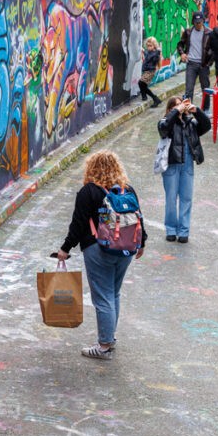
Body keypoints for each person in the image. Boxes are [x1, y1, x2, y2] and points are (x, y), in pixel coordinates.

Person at [56, 151, 146, 360]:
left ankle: (104, 345)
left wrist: (65, 249)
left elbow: (78, 225)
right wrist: (142, 243)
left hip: (98, 249)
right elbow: (139, 218)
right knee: (113, 293)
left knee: (103, 296)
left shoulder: (88, 192)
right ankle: (109, 337)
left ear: (91, 168)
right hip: (126, 249)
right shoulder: (127, 190)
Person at [157, 96, 210, 243]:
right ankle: (171, 230)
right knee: (171, 199)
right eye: (176, 106)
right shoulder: (165, 122)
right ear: (170, 109)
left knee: (186, 198)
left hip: (187, 164)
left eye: (181, 104)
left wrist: (196, 111)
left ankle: (184, 231)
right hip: (171, 164)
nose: (180, 107)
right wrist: (175, 112)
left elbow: (206, 126)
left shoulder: (190, 123)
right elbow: (164, 128)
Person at [176, 11, 213, 105]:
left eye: (200, 22)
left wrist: (208, 63)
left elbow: (214, 49)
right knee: (188, 89)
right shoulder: (188, 32)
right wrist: (182, 53)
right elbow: (180, 44)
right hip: (191, 64)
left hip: (203, 65)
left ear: (203, 21)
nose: (198, 24)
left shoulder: (209, 33)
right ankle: (188, 110)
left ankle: (206, 109)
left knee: (205, 89)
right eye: (196, 22)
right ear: (193, 22)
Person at [138, 36, 163, 108]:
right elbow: (147, 53)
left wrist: (158, 52)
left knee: (141, 83)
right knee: (143, 85)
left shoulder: (155, 54)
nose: (148, 47)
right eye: (147, 46)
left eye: (150, 46)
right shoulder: (150, 52)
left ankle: (154, 98)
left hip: (150, 71)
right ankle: (145, 97)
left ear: (154, 46)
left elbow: (151, 57)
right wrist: (143, 50)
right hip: (147, 70)